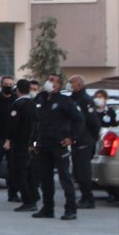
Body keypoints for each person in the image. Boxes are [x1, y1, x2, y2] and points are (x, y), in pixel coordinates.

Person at [31, 73, 85, 220]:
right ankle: (48, 209)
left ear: (59, 85)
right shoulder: (41, 99)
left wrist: (72, 138)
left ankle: (70, 210)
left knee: (64, 178)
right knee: (45, 178)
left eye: (52, 80)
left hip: (59, 144)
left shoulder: (64, 101)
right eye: (48, 79)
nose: (49, 82)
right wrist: (33, 142)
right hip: (43, 145)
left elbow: (79, 120)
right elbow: (35, 123)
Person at [68, 75, 101, 209]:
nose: (69, 85)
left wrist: (91, 139)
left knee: (83, 172)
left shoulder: (85, 100)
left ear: (79, 85)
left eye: (72, 83)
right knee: (77, 172)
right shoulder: (72, 99)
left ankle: (88, 199)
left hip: (84, 140)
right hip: (75, 140)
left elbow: (94, 123)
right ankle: (84, 196)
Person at [6, 79, 39, 211]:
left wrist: (8, 139)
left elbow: (13, 125)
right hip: (29, 143)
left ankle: (28, 201)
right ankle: (34, 196)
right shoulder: (32, 104)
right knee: (29, 172)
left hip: (19, 143)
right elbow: (37, 124)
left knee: (19, 173)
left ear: (17, 90)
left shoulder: (18, 105)